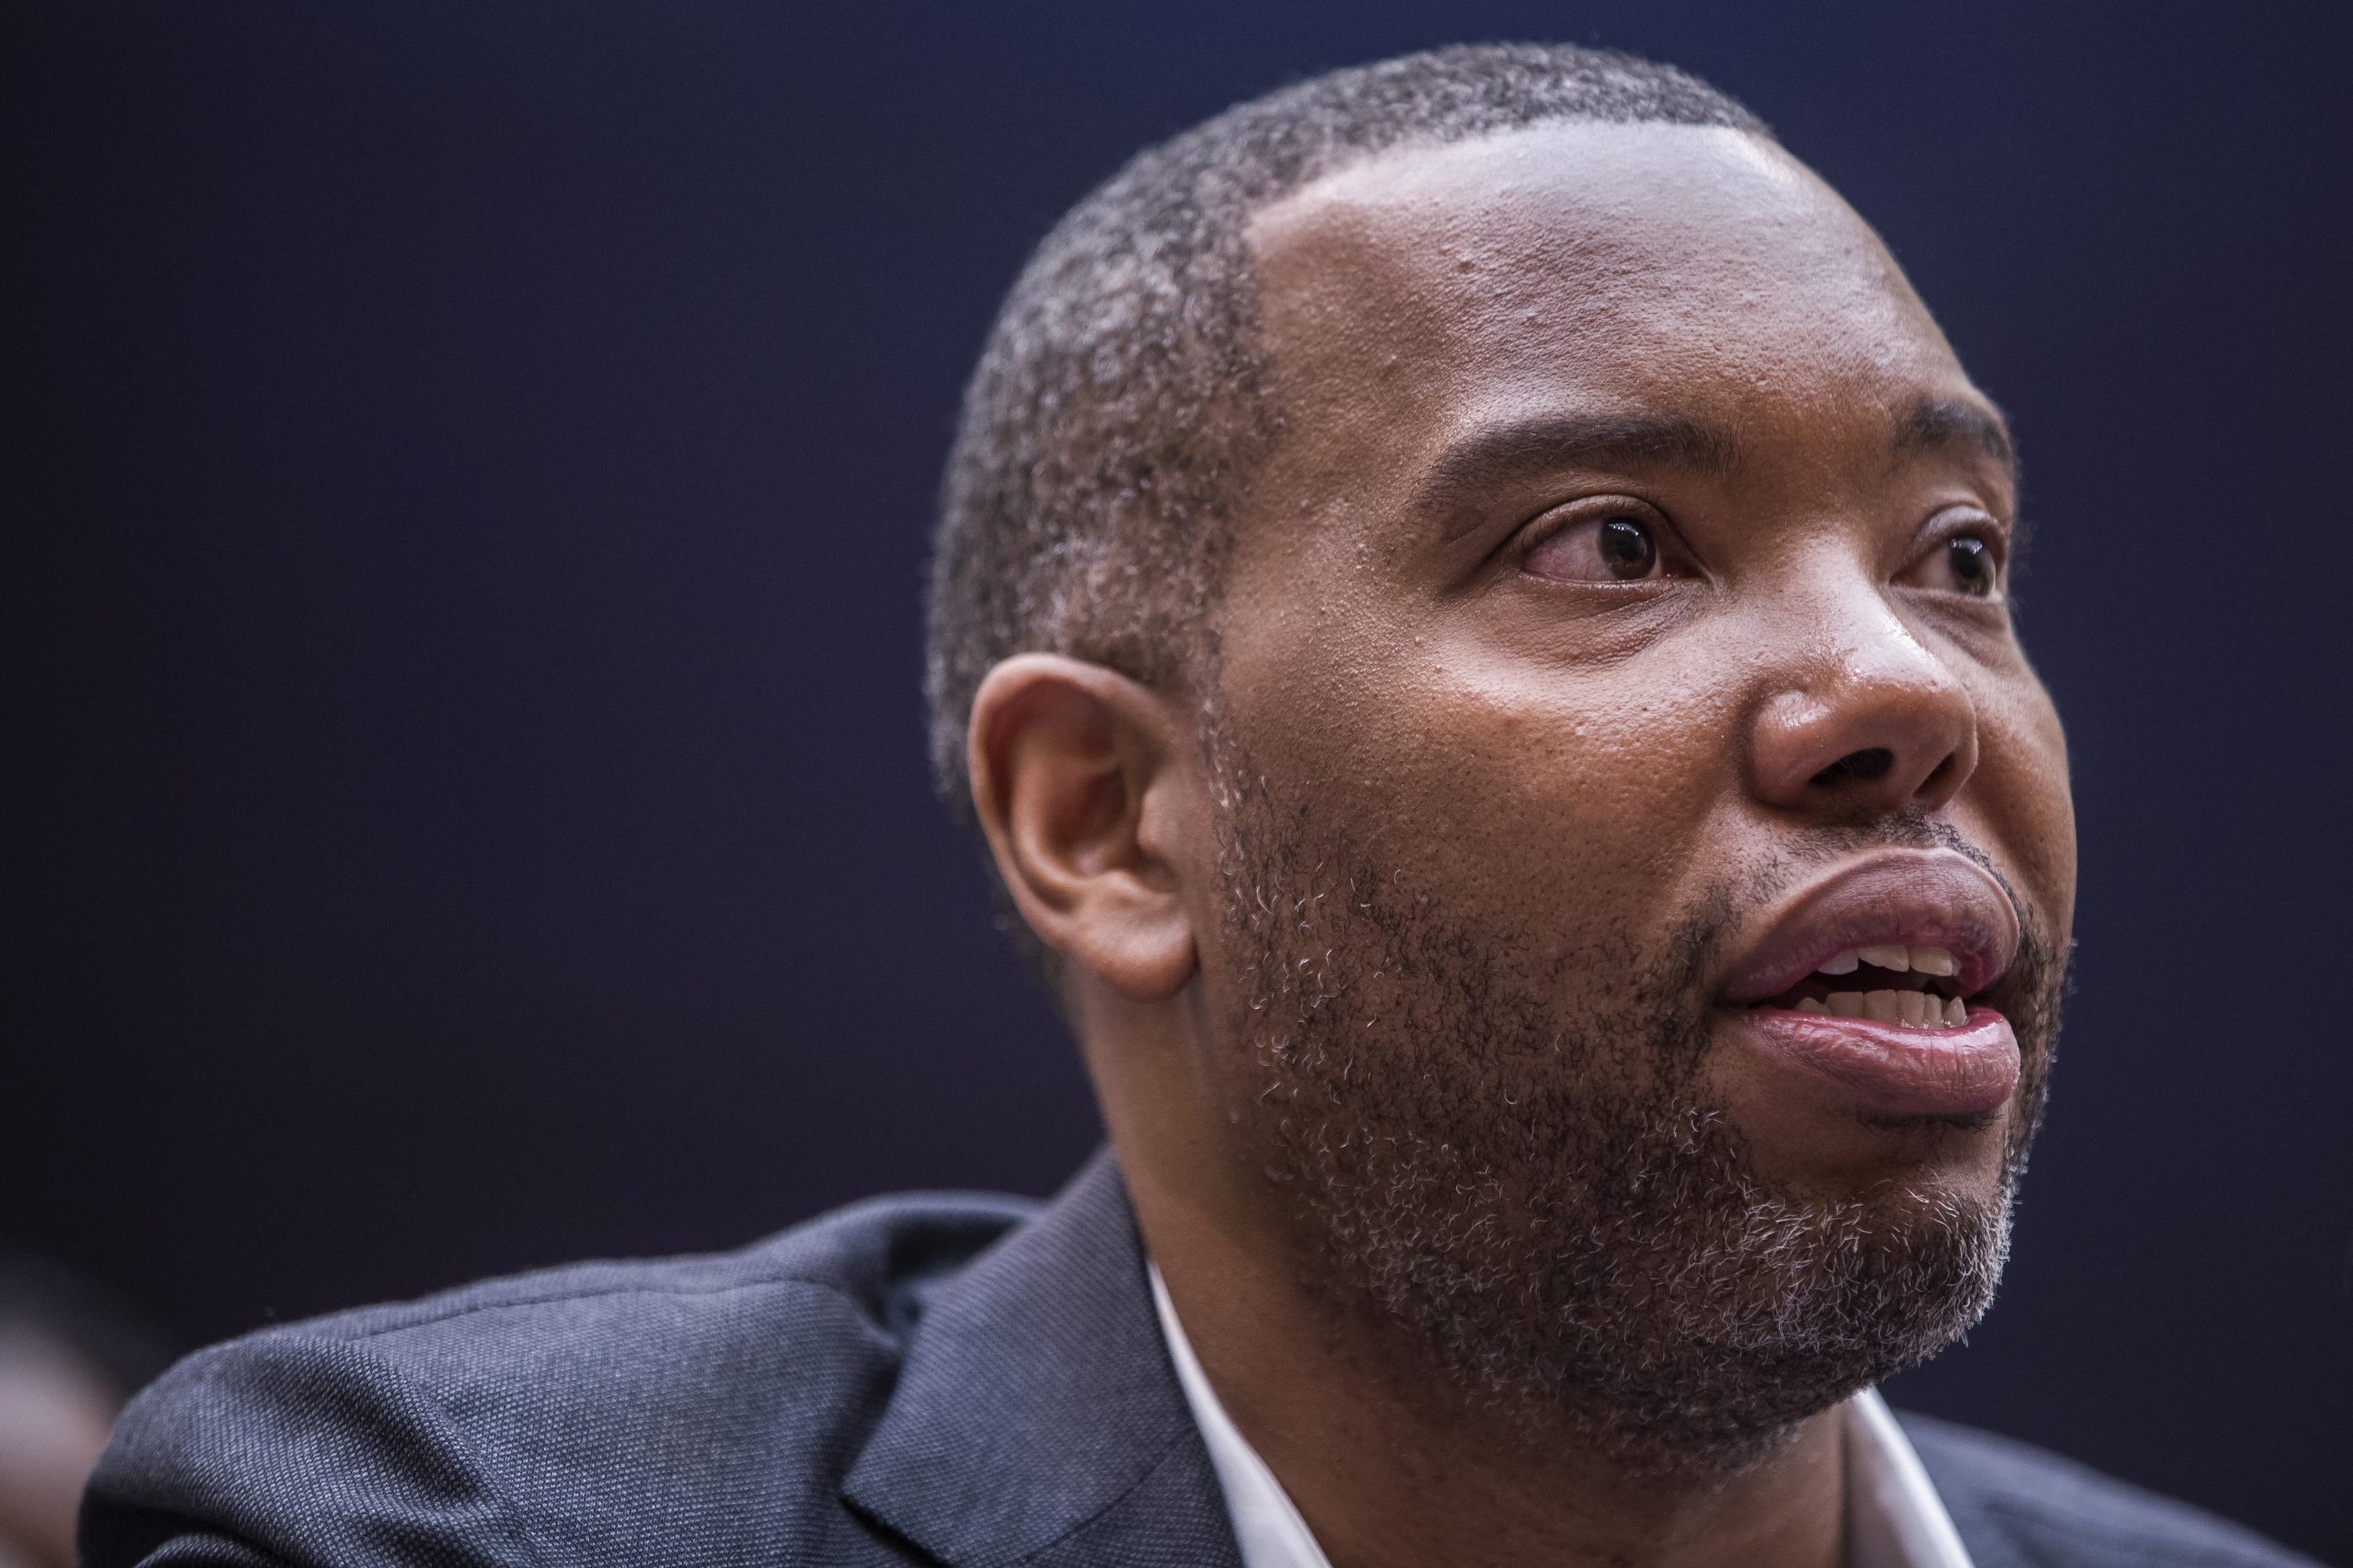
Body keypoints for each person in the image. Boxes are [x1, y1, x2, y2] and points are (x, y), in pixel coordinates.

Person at [81, 43, 2317, 1568]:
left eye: (1959, 559)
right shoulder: (464, 1534)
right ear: (1107, 817)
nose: (1905, 690)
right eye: (1615, 544)